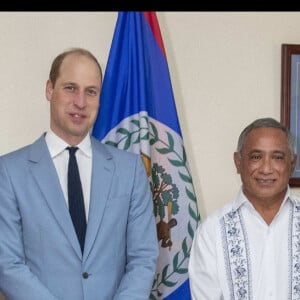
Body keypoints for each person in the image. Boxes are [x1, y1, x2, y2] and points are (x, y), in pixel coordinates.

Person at [0, 47, 159, 300]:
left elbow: (143, 257)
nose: (81, 102)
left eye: (91, 92)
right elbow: (7, 264)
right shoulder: (8, 172)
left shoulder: (130, 169)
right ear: (50, 89)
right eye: (70, 88)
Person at [189, 117, 300, 299]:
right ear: (238, 162)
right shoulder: (212, 232)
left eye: (277, 157)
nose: (266, 168)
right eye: (256, 157)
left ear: (292, 164)